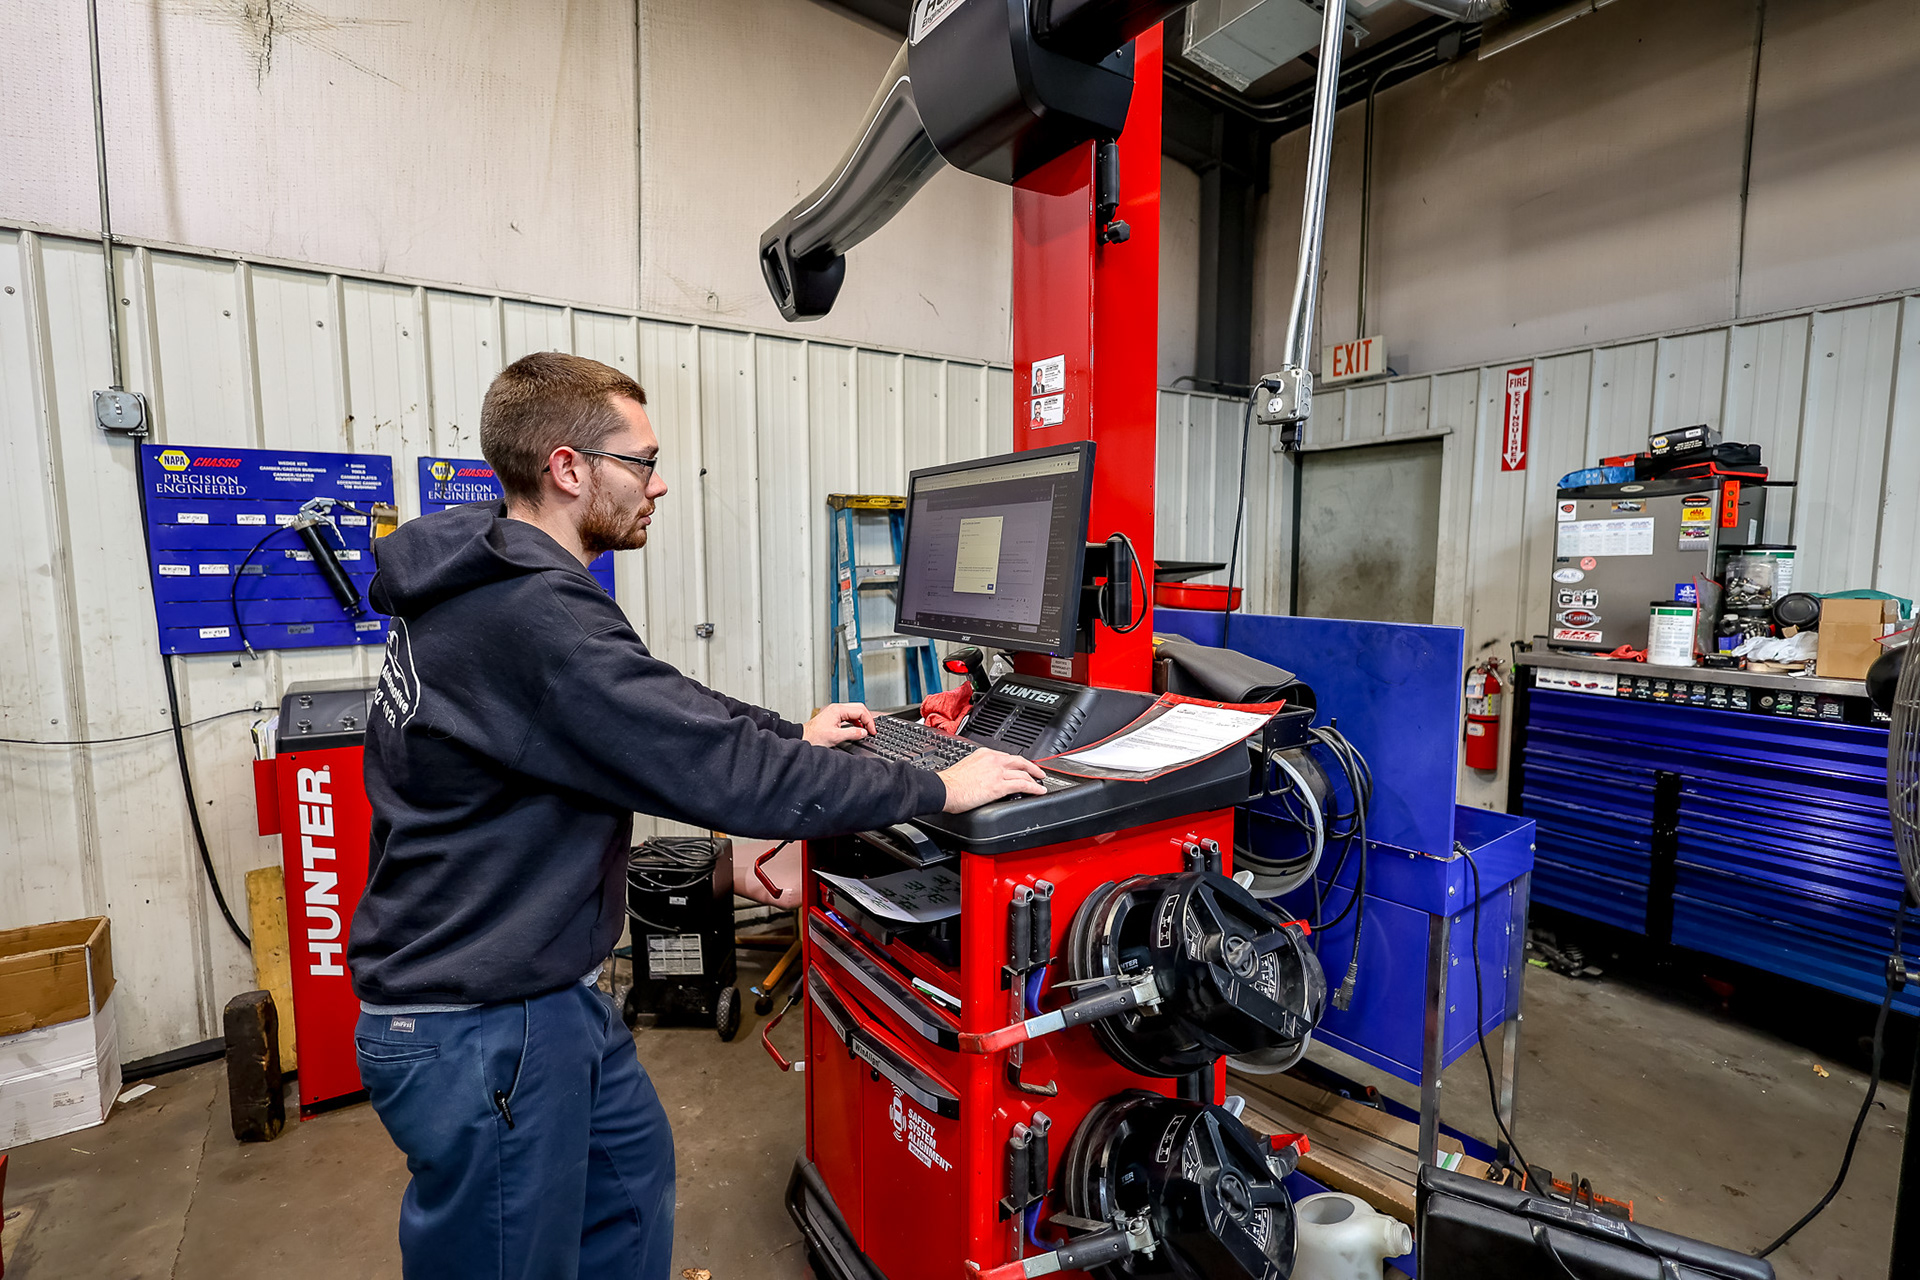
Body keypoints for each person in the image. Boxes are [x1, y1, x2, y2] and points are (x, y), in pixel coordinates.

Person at [346, 351, 1046, 1280]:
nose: (659, 483)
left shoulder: (489, 570)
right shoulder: (530, 615)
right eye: (642, 461)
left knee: (629, 1187)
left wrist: (789, 731)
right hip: (481, 1021)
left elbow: (654, 703)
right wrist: (939, 787)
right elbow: (714, 770)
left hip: (538, 990)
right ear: (568, 468)